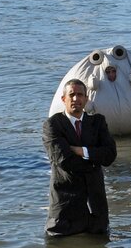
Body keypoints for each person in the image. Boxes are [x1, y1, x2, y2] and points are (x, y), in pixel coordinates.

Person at [42, 78, 117, 236]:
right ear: (64, 99)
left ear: (86, 98)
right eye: (72, 95)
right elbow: (63, 160)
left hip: (96, 209)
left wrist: (82, 151)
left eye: (80, 95)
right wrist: (95, 159)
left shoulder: (97, 122)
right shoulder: (53, 125)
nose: (76, 99)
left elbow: (110, 155)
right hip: (65, 209)